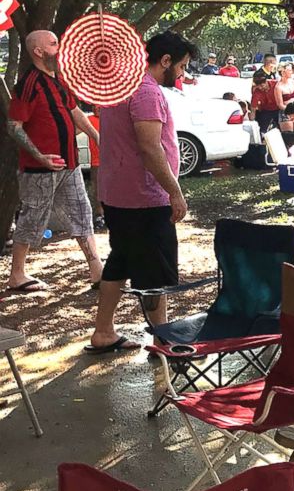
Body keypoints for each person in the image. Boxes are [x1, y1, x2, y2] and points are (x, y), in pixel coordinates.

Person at [86, 31, 197, 355]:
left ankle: (103, 331)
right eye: (181, 66)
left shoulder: (118, 88)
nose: (181, 73)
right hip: (144, 198)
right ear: (165, 61)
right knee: (154, 273)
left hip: (119, 195)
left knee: (120, 261)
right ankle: (162, 341)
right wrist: (174, 192)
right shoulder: (146, 92)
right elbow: (150, 148)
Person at [5, 30, 103, 294]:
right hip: (39, 169)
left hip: (69, 164)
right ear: (38, 51)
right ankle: (17, 275)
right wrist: (39, 155)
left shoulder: (59, 80)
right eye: (53, 43)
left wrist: (97, 136)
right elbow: (13, 126)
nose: (60, 47)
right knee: (32, 219)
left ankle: (97, 271)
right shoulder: (28, 84)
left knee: (82, 213)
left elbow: (75, 112)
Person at [249, 68, 279, 133]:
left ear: (266, 81)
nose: (260, 88)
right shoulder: (257, 91)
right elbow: (253, 109)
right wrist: (252, 123)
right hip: (265, 110)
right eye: (258, 86)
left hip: (278, 109)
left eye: (262, 86)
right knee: (262, 129)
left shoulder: (276, 84)